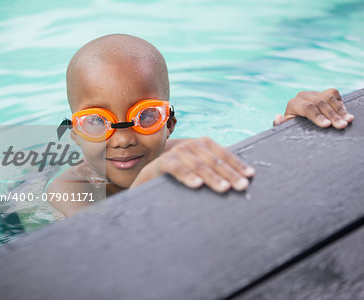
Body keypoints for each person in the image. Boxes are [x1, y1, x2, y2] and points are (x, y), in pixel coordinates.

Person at [46, 34, 354, 217]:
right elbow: (101, 249)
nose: (123, 139)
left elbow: (258, 175)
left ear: (170, 124)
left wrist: (291, 129)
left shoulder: (186, 153)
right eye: (97, 122)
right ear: (75, 134)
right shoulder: (69, 189)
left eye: (146, 116)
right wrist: (150, 177)